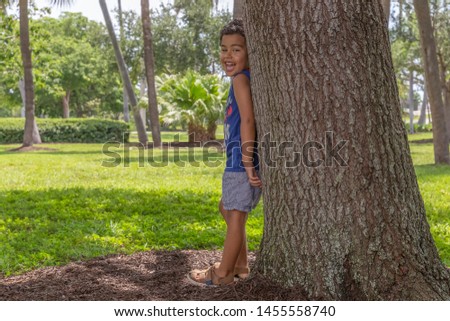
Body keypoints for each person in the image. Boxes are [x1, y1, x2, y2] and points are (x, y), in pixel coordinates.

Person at [187, 19, 262, 286]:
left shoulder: (241, 79)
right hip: (240, 160)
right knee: (227, 208)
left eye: (236, 49)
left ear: (251, 52)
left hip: (241, 162)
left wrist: (247, 163)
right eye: (224, 49)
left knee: (234, 211)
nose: (228, 56)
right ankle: (241, 264)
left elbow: (248, 121)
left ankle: (222, 274)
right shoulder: (241, 79)